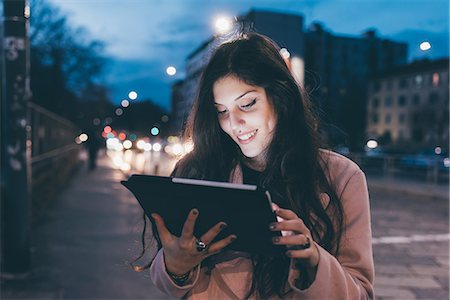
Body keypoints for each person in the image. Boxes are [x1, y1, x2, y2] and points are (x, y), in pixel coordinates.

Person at [140, 33, 374, 299]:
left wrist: (314, 262)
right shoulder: (197, 169)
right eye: (222, 111)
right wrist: (176, 266)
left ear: (279, 97)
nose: (234, 123)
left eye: (247, 104)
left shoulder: (341, 176)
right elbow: (165, 277)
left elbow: (361, 294)